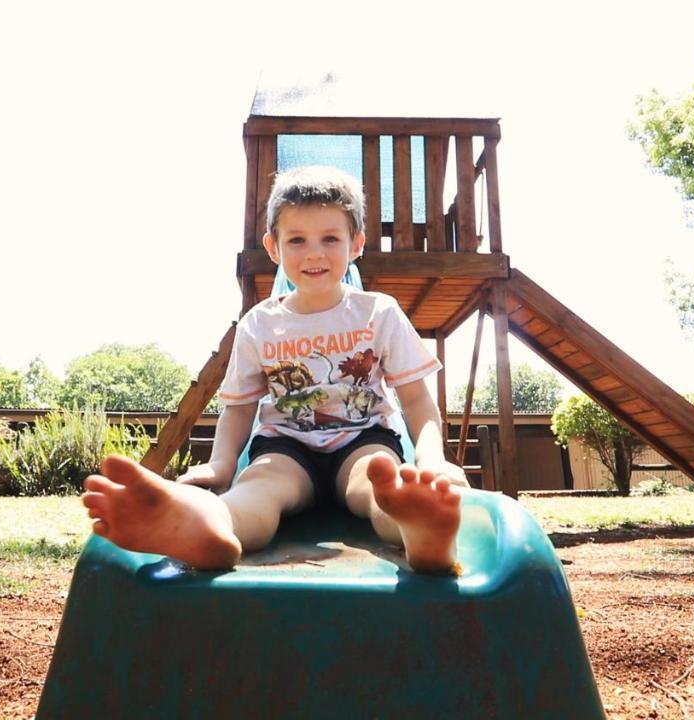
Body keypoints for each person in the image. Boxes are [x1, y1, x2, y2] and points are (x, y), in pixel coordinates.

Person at [82, 165, 469, 573]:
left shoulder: (377, 311)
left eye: (330, 238)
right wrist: (221, 465)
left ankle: (417, 529)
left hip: (362, 439)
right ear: (273, 247)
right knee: (259, 488)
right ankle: (207, 527)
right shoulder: (259, 323)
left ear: (356, 243)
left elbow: (415, 399)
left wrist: (432, 460)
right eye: (297, 240)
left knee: (377, 485)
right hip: (286, 446)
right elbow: (239, 408)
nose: (314, 253)